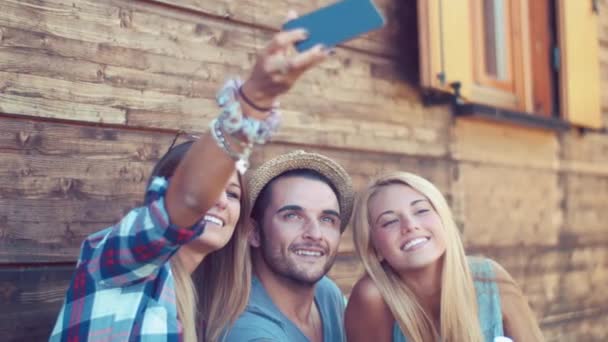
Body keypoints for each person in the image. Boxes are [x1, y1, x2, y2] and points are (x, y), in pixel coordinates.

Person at [50, 22, 331, 341]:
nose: (221, 201)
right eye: (212, 188)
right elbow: (187, 201)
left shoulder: (210, 308)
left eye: (234, 194)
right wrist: (254, 99)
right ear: (162, 196)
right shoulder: (116, 261)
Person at [345, 171, 545, 342]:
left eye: (421, 210)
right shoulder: (372, 297)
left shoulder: (491, 278)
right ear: (373, 245)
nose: (410, 225)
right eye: (389, 222)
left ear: (444, 219)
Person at [225, 150, 354, 342]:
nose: (315, 234)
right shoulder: (247, 329)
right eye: (292, 216)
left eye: (327, 219)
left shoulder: (326, 293)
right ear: (253, 232)